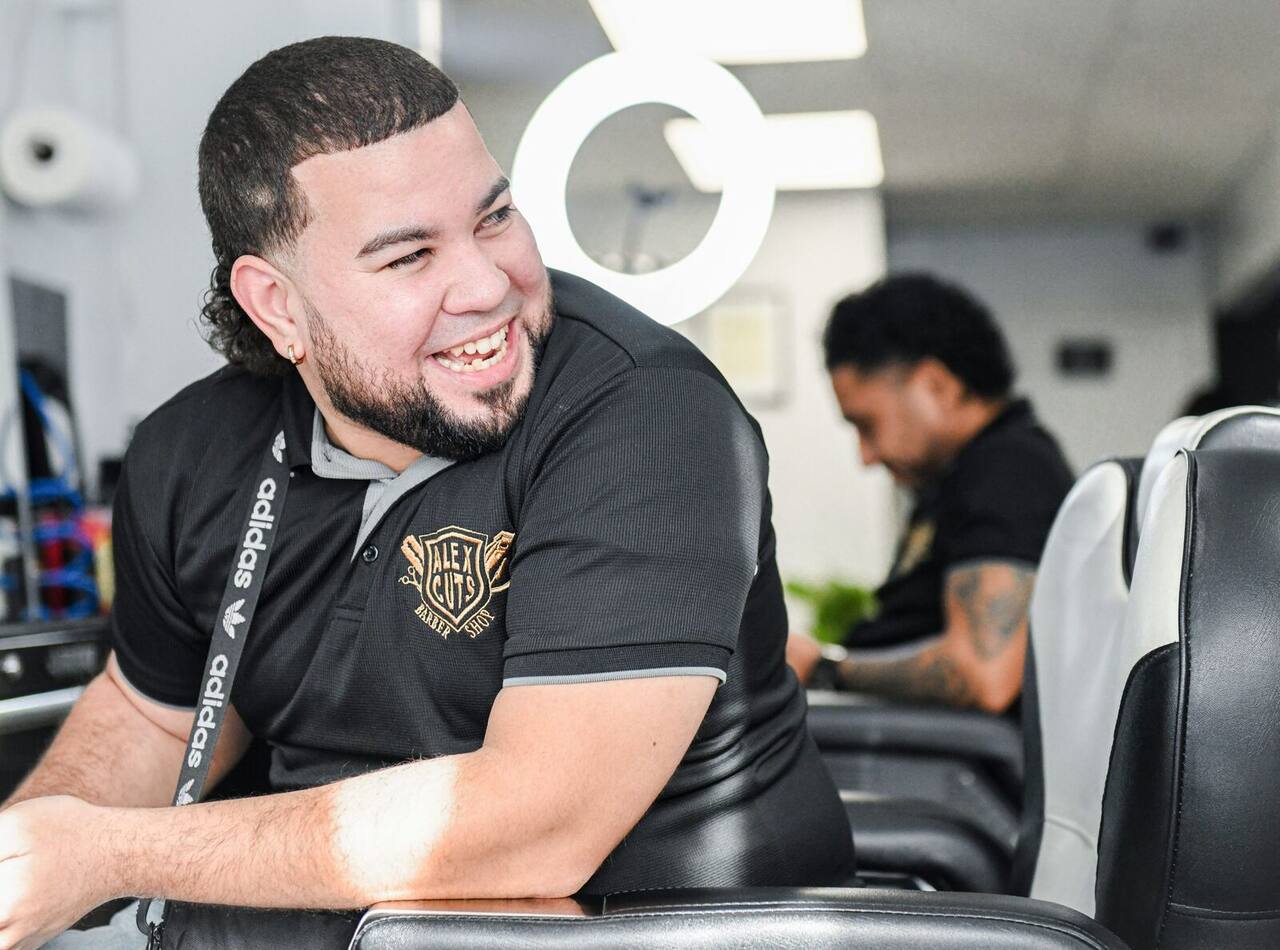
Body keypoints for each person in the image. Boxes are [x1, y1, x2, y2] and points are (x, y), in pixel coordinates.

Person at [1, 37, 851, 949]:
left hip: (652, 932)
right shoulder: (189, 453)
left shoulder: (645, 413)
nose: (488, 285)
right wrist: (34, 852)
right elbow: (152, 713)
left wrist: (115, 856)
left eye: (494, 219)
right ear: (276, 306)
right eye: (409, 257)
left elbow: (541, 824)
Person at [787, 274, 1073, 713]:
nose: (867, 455)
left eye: (867, 424)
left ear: (937, 385)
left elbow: (985, 675)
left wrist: (822, 668)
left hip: (943, 766)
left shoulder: (1010, 470)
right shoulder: (960, 481)